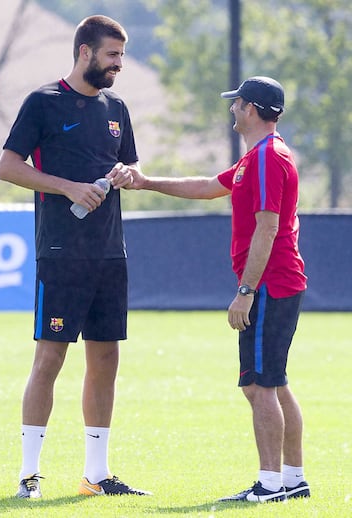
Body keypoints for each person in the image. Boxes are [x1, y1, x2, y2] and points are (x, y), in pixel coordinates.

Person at [115, 76, 311, 503]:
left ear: (253, 109)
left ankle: (271, 485)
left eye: (237, 103)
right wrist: (145, 182)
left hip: (270, 286)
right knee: (272, 384)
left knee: (259, 386)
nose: (233, 110)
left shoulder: (265, 158)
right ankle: (292, 479)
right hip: (279, 283)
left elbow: (268, 226)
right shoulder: (257, 158)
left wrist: (246, 290)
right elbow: (207, 187)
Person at [0, 15, 150, 499]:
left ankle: (96, 476)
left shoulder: (116, 107)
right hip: (61, 252)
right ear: (84, 52)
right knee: (50, 358)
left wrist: (126, 174)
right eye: (112, 55)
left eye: (122, 56)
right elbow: (7, 167)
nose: (119, 65)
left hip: (110, 251)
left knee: (106, 356)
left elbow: (130, 163)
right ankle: (28, 475)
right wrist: (68, 188)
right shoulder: (43, 102)